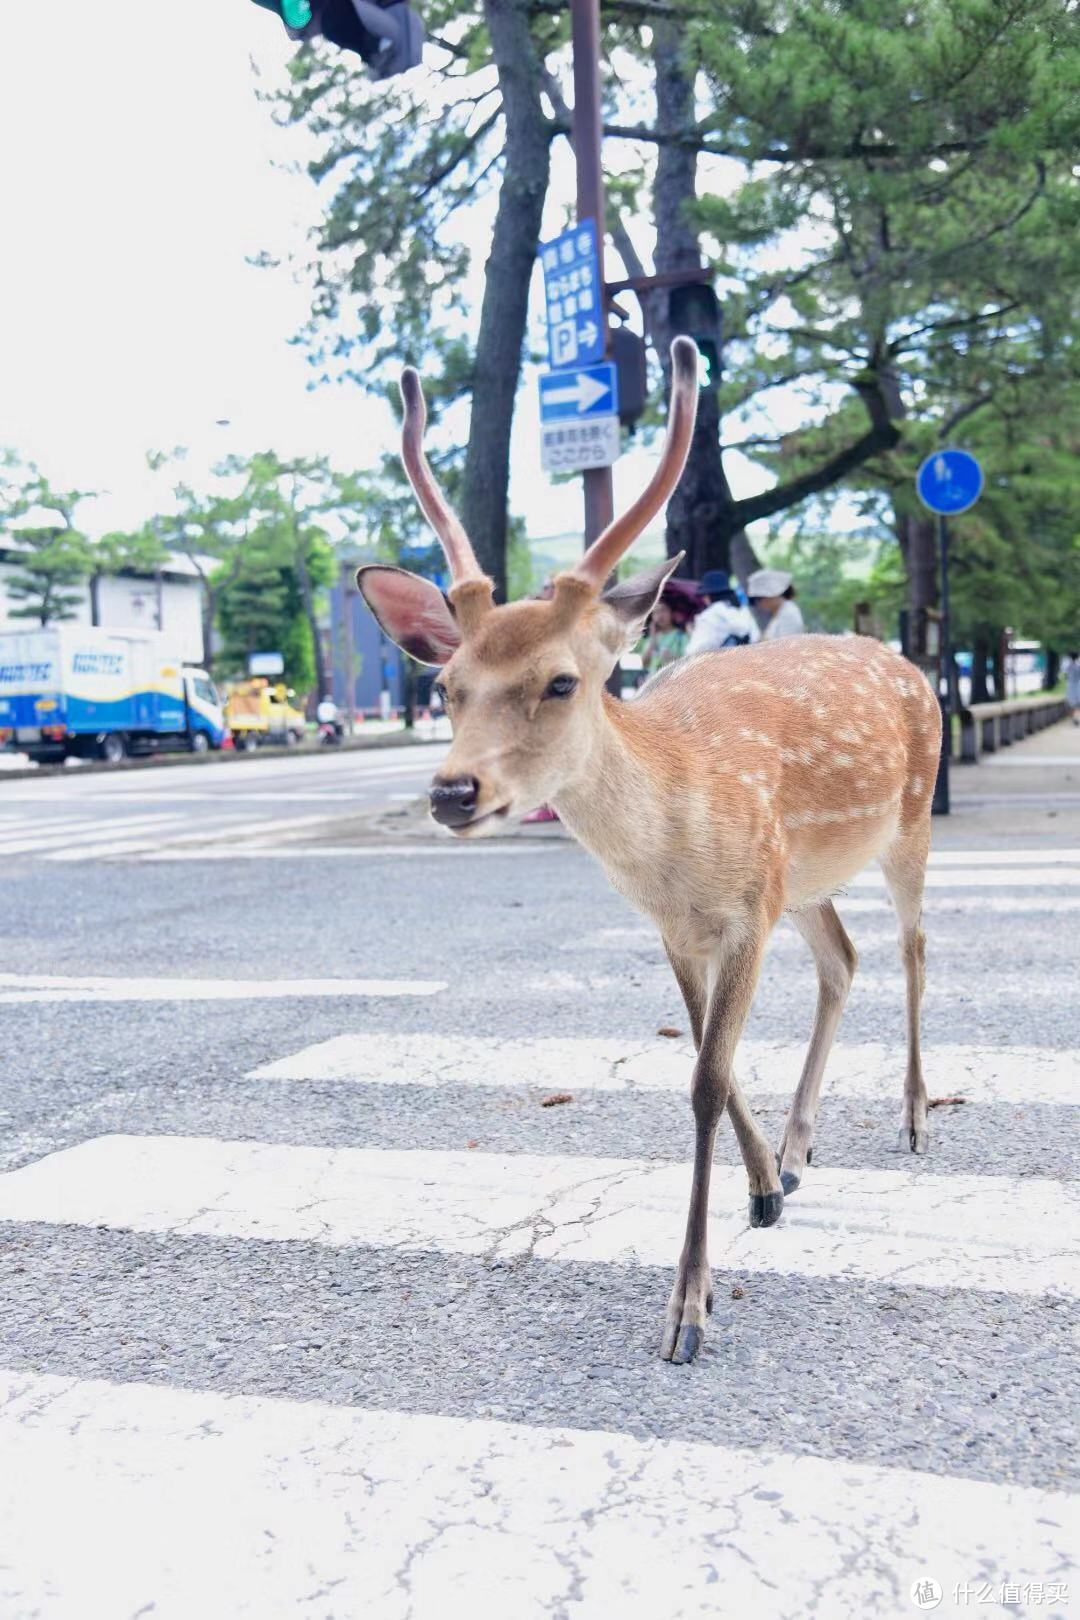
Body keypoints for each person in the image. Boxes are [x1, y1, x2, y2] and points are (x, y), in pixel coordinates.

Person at [685, 570, 760, 655]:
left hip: (722, 663)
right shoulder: (744, 611)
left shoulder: (709, 615)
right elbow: (756, 637)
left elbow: (694, 650)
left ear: (709, 595)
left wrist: (692, 633)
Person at [747, 567, 806, 639]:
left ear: (774, 593)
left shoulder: (788, 613)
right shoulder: (780, 612)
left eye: (759, 598)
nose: (759, 603)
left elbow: (787, 646)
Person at [639, 598, 687, 677]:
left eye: (663, 610)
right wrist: (653, 637)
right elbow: (644, 663)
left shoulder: (682, 636)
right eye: (655, 612)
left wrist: (673, 658)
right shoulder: (652, 638)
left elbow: (690, 662)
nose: (660, 615)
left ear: (671, 612)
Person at [1065, 651, 1080, 725]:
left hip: (1070, 687)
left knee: (1071, 704)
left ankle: (1074, 718)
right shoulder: (1078, 666)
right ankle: (1075, 717)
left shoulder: (1068, 666)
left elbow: (1066, 676)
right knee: (1077, 704)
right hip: (1077, 686)